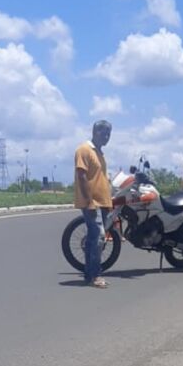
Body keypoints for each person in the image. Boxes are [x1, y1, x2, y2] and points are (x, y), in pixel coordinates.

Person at [74, 120, 113, 289]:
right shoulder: (84, 150)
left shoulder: (100, 153)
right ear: (95, 132)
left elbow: (101, 179)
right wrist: (89, 201)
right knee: (98, 237)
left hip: (102, 202)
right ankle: (95, 275)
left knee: (93, 239)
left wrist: (108, 202)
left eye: (109, 134)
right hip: (91, 202)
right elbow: (81, 175)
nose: (107, 137)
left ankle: (89, 274)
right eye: (104, 133)